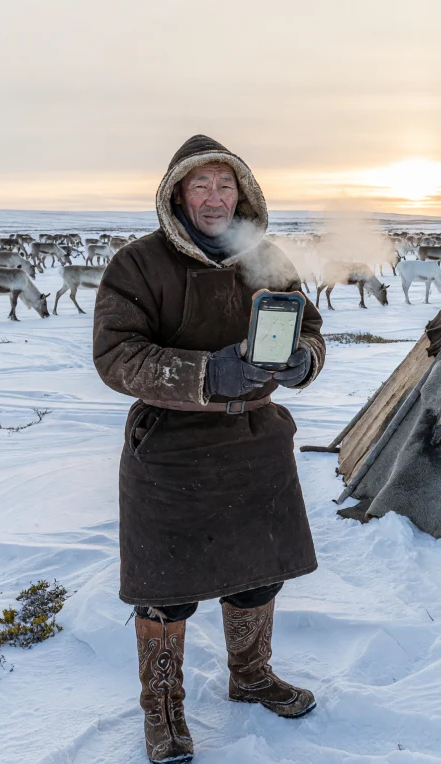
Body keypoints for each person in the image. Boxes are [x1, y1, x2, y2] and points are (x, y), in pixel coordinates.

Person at [92, 135, 326, 764]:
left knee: (257, 574)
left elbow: (307, 328)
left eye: (226, 185)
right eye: (202, 186)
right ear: (177, 195)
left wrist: (303, 362)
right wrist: (205, 375)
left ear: (243, 192)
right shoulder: (137, 266)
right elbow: (116, 357)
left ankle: (251, 677)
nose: (215, 198)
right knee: (165, 588)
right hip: (170, 449)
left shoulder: (268, 257)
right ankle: (163, 712)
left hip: (254, 441)